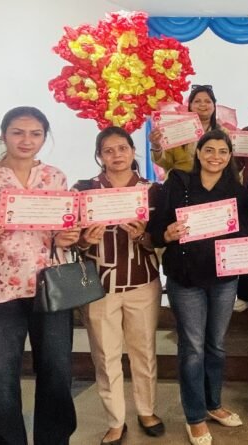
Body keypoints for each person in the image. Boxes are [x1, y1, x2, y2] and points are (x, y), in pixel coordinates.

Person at [0, 106, 81, 444]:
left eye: (35, 134)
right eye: (18, 132)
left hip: (50, 286)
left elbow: (61, 229)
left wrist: (67, 236)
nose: (26, 140)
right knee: (1, 376)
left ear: (44, 137)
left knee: (57, 372)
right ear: (4, 135)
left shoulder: (54, 177)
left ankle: (54, 440)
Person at [148, 130, 248, 445]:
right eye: (209, 150)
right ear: (198, 153)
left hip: (224, 280)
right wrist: (166, 235)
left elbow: (245, 233)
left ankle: (213, 404)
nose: (215, 157)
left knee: (216, 345)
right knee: (193, 348)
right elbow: (155, 229)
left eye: (222, 151)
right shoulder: (178, 183)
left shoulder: (237, 191)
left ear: (230, 157)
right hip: (186, 279)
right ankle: (195, 416)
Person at [73, 127, 165, 444]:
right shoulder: (84, 190)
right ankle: (115, 420)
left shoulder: (152, 191)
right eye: (108, 150)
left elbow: (162, 239)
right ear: (99, 156)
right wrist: (86, 240)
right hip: (99, 286)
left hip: (142, 282)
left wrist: (142, 236)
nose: (116, 155)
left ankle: (147, 410)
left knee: (144, 351)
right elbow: (71, 241)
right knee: (105, 355)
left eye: (122, 148)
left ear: (132, 151)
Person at [150, 85, 223, 175]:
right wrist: (156, 145)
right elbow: (165, 162)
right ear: (190, 106)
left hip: (214, 181)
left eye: (207, 101)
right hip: (180, 181)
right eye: (197, 101)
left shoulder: (224, 133)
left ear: (214, 106)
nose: (203, 104)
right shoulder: (176, 129)